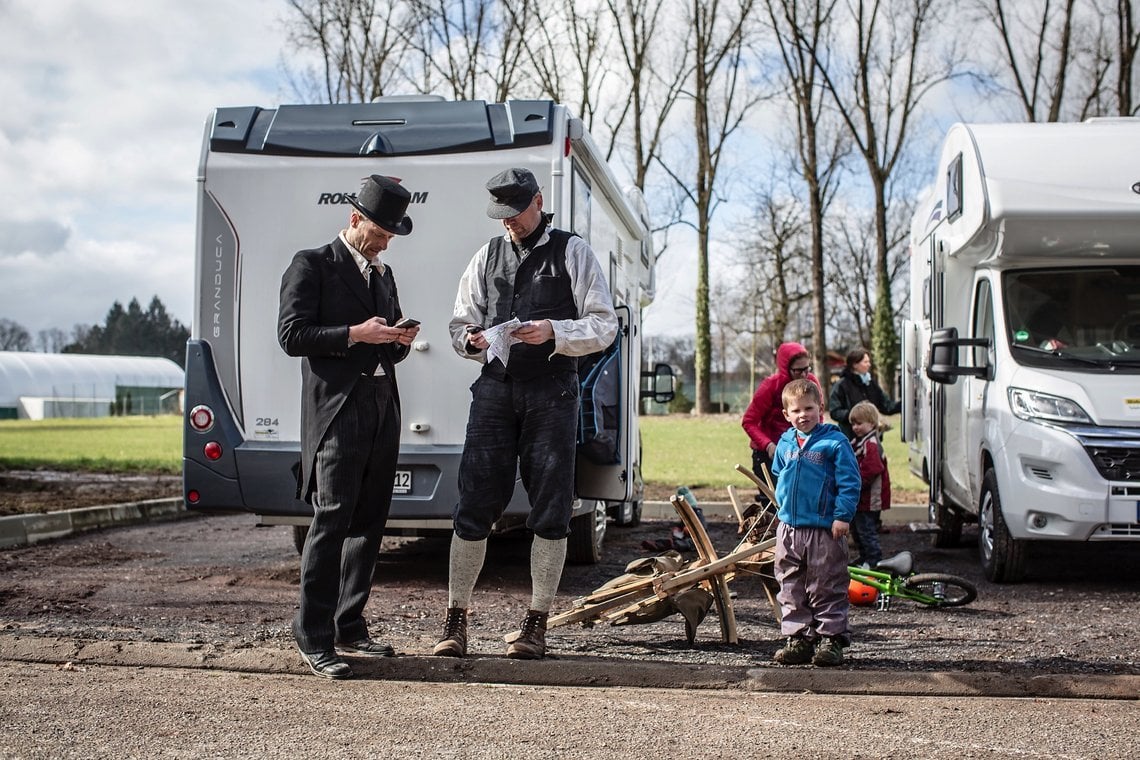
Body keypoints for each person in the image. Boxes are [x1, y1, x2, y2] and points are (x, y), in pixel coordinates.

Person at [433, 167, 618, 661]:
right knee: (473, 503)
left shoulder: (573, 251)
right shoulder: (485, 255)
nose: (509, 223)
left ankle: (536, 624)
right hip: (493, 389)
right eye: (502, 216)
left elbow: (605, 325)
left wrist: (554, 332)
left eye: (515, 213)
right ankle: (456, 622)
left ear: (538, 201)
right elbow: (459, 321)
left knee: (551, 507)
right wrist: (470, 340)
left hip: (552, 392)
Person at [277, 174, 421, 680]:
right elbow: (291, 335)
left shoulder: (384, 275)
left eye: (390, 236)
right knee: (332, 521)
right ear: (355, 219)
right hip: (337, 408)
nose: (385, 243)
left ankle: (350, 623)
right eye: (380, 233)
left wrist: (398, 341)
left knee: (370, 521)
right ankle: (312, 635)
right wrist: (354, 334)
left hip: (383, 403)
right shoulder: (311, 264)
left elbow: (388, 344)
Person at [769, 379, 860, 667]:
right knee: (789, 582)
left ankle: (830, 639)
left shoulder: (834, 442)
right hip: (790, 529)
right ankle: (798, 637)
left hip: (824, 528)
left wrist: (842, 516)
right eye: (796, 410)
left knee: (826, 581)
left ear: (820, 408)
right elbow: (779, 474)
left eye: (809, 408)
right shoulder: (785, 442)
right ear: (786, 414)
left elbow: (850, 482)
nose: (803, 415)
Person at [741, 342, 823, 486]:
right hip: (769, 453)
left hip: (801, 450)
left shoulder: (811, 383)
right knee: (775, 501)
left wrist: (816, 441)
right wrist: (769, 445)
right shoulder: (771, 386)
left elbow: (818, 414)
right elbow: (749, 421)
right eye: (798, 371)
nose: (804, 375)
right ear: (786, 368)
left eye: (807, 369)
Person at [848, 400, 891, 568]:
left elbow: (872, 469)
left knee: (866, 530)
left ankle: (874, 560)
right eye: (853, 424)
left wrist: (856, 482)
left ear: (872, 423)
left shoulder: (871, 444)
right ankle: (864, 556)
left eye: (859, 423)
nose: (855, 427)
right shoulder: (859, 441)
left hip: (871, 497)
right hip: (861, 497)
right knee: (857, 530)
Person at [828, 348, 901, 440]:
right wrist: (857, 417)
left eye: (869, 362)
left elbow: (886, 406)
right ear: (855, 364)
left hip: (873, 438)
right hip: (850, 440)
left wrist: (904, 405)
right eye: (865, 362)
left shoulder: (871, 384)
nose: (869, 365)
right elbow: (835, 412)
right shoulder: (841, 385)